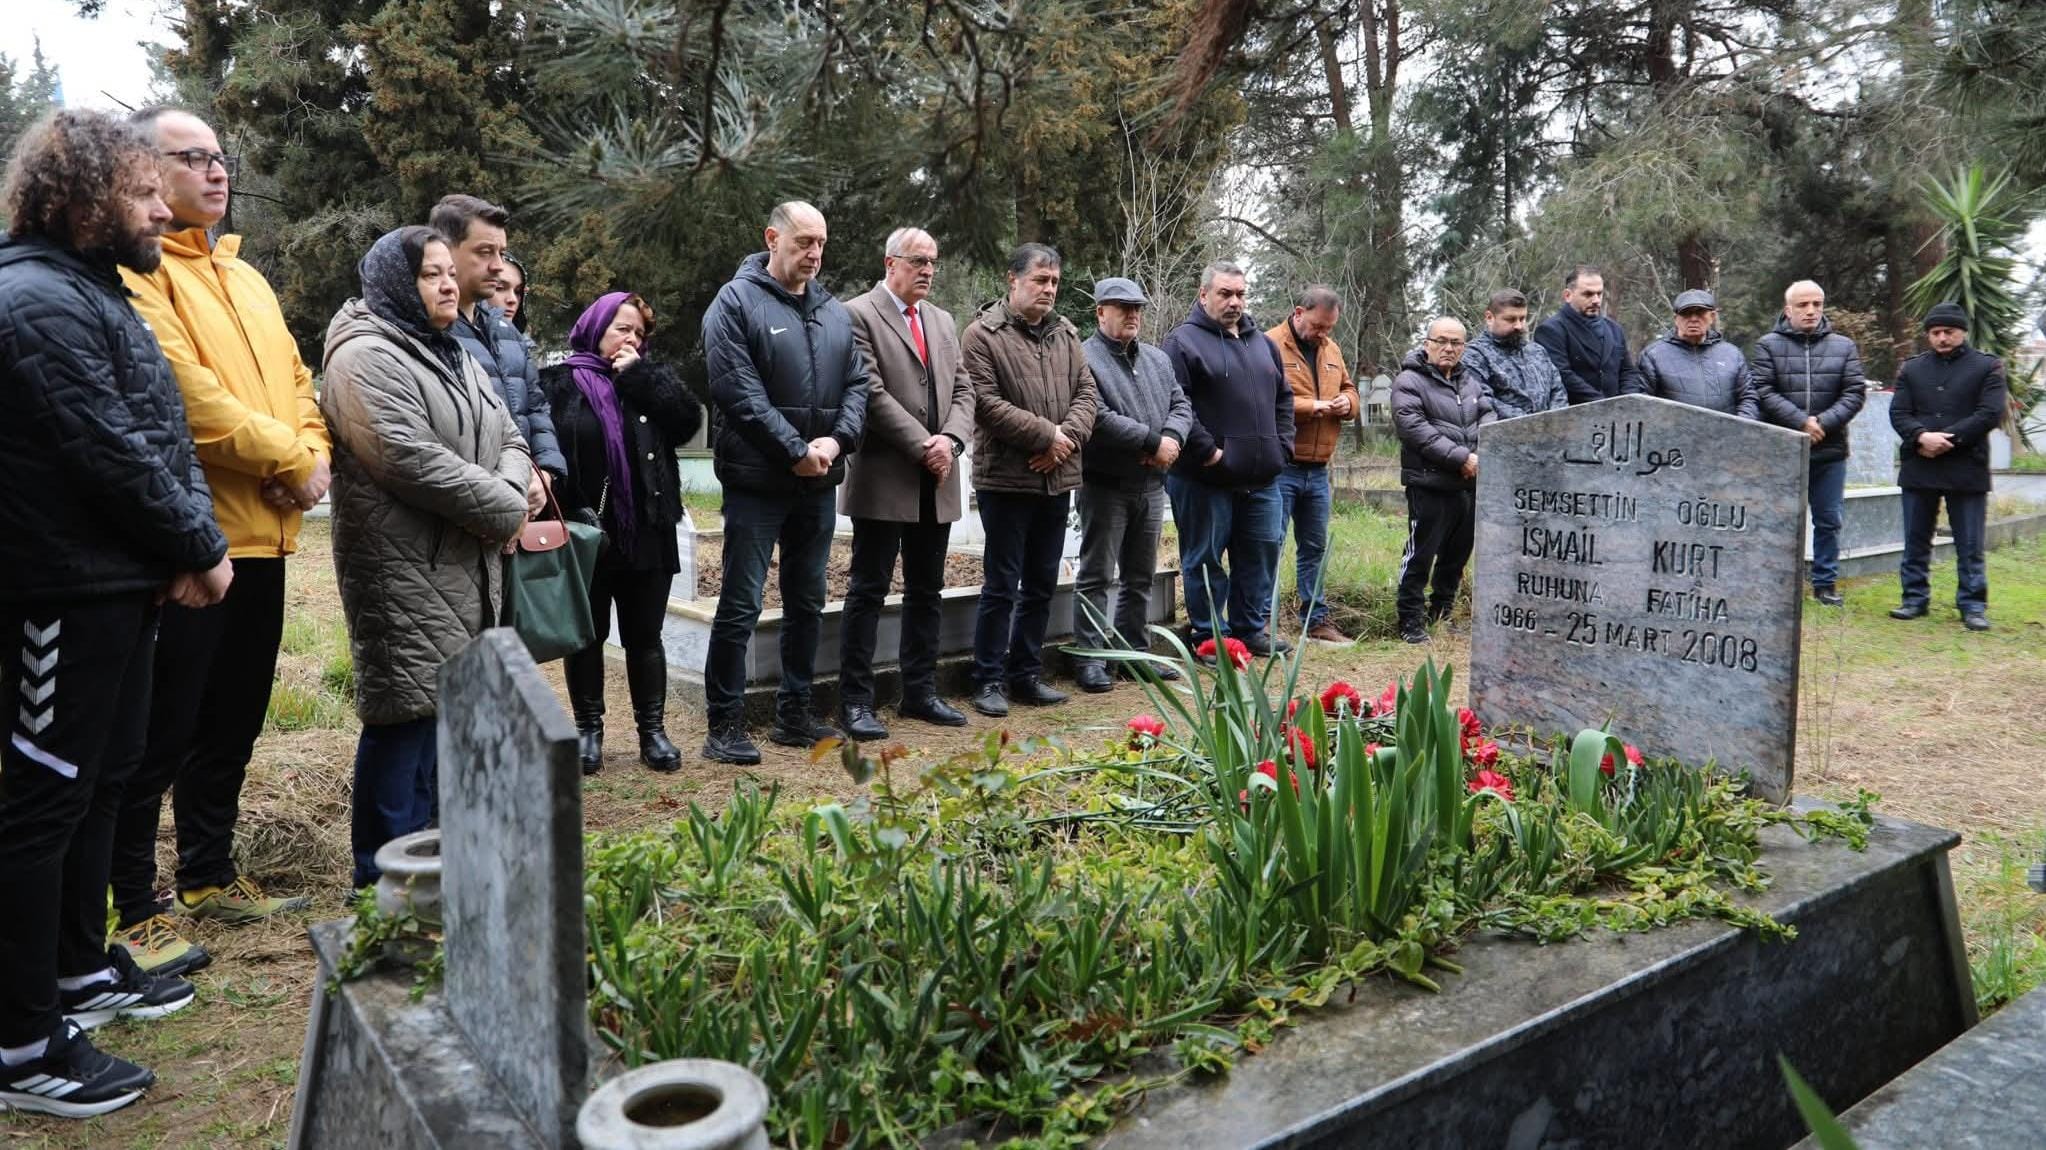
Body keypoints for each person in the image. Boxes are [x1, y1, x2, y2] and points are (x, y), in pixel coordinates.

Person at [0, 108, 229, 1120]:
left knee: (98, 783)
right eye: (143, 193)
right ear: (87, 198)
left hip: (112, 583)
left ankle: (76, 973)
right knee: (39, 805)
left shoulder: (90, 291)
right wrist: (200, 545)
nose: (161, 210)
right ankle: (19, 1043)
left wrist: (179, 547)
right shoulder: (35, 299)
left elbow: (157, 430)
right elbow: (108, 451)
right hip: (59, 589)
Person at [108, 107, 324, 978]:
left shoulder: (249, 278)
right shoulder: (142, 275)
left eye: (219, 157)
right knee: (159, 732)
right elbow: (182, 394)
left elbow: (299, 382)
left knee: (232, 722)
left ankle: (206, 873)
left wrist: (309, 456)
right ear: (146, 175)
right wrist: (284, 455)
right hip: (194, 547)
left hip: (266, 542)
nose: (215, 172)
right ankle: (134, 906)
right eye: (191, 158)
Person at [322, 226, 534, 888]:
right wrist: (507, 506)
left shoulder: (450, 352)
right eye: (429, 274)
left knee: (447, 724)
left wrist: (511, 481)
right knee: (403, 721)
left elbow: (511, 434)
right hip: (401, 570)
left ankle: (436, 876)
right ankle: (380, 883)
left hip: (466, 568)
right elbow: (411, 459)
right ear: (395, 284)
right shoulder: (365, 358)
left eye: (449, 272)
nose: (448, 284)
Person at [699, 201, 869, 763]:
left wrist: (835, 442)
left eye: (821, 243)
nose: (814, 253)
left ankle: (794, 712)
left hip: (817, 483)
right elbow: (736, 390)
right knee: (741, 602)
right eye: (803, 242)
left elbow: (858, 385)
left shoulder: (833, 311)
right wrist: (793, 450)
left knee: (807, 601)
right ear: (773, 238)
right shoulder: (735, 302)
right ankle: (723, 723)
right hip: (758, 483)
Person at [541, 293, 701, 773]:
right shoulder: (558, 383)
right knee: (587, 636)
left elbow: (688, 422)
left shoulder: (648, 381)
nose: (630, 339)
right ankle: (589, 732)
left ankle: (652, 732)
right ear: (594, 329)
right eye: (620, 329)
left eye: (638, 332)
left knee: (644, 637)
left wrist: (641, 377)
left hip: (648, 532)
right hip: (585, 532)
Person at [838, 228, 975, 737]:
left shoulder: (940, 319)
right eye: (918, 260)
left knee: (927, 589)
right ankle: (855, 700)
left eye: (933, 261)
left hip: (937, 477)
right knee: (868, 590)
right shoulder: (857, 314)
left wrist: (952, 444)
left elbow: (964, 390)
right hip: (884, 476)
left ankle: (920, 692)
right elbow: (870, 391)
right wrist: (925, 445)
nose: (929, 270)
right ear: (889, 262)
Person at [965, 243, 1097, 716]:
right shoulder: (982, 335)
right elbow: (986, 403)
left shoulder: (1066, 333)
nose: (1049, 289)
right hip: (1006, 479)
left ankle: (1026, 674)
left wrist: (1063, 442)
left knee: (1041, 583)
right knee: (1001, 583)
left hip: (1056, 479)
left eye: (1055, 282)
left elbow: (1088, 393)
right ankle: (988, 679)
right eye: (1040, 280)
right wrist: (1046, 437)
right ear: (1013, 280)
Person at [1163, 260, 1294, 660]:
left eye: (1240, 293)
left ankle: (1250, 630)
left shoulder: (1262, 344)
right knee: (1204, 559)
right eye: (1225, 293)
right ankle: (1209, 636)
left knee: (1260, 554)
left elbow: (1283, 399)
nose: (1234, 301)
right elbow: (1176, 401)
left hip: (1262, 478)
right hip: (1205, 477)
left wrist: (1282, 447)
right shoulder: (1182, 342)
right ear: (1203, 295)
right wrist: (1210, 452)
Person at [1070, 276, 1191, 692]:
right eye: (1123, 307)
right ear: (1101, 311)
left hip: (1151, 484)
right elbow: (1097, 416)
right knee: (1097, 576)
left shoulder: (1157, 359)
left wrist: (1171, 439)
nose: (1133, 314)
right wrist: (1151, 441)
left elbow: (1180, 403)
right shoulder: (1083, 357)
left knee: (1140, 577)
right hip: (1104, 484)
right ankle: (1091, 658)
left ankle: (1132, 654)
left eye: (1138, 307)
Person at [1888, 302, 2006, 632]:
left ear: (1962, 332)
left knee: (1969, 542)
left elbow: (1990, 413)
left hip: (1966, 466)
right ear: (1928, 335)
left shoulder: (1988, 367)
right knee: (1915, 538)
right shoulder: (1911, 369)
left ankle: (1972, 604)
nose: (1942, 338)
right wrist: (1921, 437)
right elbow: (1899, 413)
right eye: (1935, 332)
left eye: (1948, 332)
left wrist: (1948, 439)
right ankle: (1913, 598)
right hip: (1920, 463)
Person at [434, 194, 564, 487]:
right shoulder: (426, 333)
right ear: (444, 251)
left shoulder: (507, 331)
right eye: (484, 252)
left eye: (501, 253)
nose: (497, 265)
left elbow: (535, 410)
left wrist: (545, 473)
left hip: (523, 501)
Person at [1750, 280, 1866, 606]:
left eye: (1817, 303)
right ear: (1788, 310)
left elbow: (1854, 392)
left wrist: (1822, 424)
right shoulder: (1767, 346)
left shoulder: (1843, 346)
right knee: (1780, 518)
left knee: (1829, 519)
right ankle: (1779, 582)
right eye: (1803, 305)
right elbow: (1763, 390)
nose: (1811, 310)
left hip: (1830, 451)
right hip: (1783, 448)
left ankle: (1825, 583)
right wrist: (1800, 421)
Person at [1391, 317, 1495, 644]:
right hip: (1430, 484)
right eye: (1442, 341)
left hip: (1468, 484)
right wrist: (1461, 457)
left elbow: (1489, 415)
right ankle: (1410, 620)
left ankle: (1441, 614)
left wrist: (1476, 455)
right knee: (1420, 554)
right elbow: (1414, 428)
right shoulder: (1409, 381)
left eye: (1456, 343)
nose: (1449, 348)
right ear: (1428, 344)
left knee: (1456, 557)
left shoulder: (1470, 381)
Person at [1266, 284, 1357, 645]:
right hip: (1281, 467)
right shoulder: (1269, 344)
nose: (1323, 334)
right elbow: (1265, 398)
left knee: (1314, 547)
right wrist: (1313, 406)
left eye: (1329, 328)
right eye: (1318, 326)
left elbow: (1350, 389)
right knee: (1268, 544)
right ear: (1299, 313)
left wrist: (1347, 404)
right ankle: (1261, 622)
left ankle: (1315, 620)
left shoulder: (1331, 349)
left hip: (1319, 469)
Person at [1632, 289, 1758, 419]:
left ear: (1712, 317)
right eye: (1686, 314)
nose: (1693, 319)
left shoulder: (1732, 354)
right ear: (1676, 319)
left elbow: (1748, 398)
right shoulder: (1653, 356)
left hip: (1727, 435)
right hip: (1672, 437)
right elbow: (1642, 403)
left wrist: (1741, 430)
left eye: (1700, 313)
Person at [1533, 265, 1642, 404]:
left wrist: (1628, 401)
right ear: (1568, 295)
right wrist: (1602, 404)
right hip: (1574, 415)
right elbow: (1563, 375)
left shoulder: (1614, 329)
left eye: (1599, 293)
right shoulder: (1551, 330)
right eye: (1588, 294)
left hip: (1617, 415)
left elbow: (1628, 371)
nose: (1596, 300)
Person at [1463, 289, 1566, 420]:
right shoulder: (1474, 355)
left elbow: (1557, 390)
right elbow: (1482, 400)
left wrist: (1555, 419)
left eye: (1522, 319)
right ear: (1489, 317)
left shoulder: (1537, 351)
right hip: (1506, 435)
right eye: (1510, 319)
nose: (1518, 326)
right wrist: (1533, 423)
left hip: (1551, 432)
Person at [493, 254, 529, 333]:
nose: (513, 300)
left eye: (518, 292)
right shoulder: (462, 341)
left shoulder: (524, 344)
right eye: (500, 288)